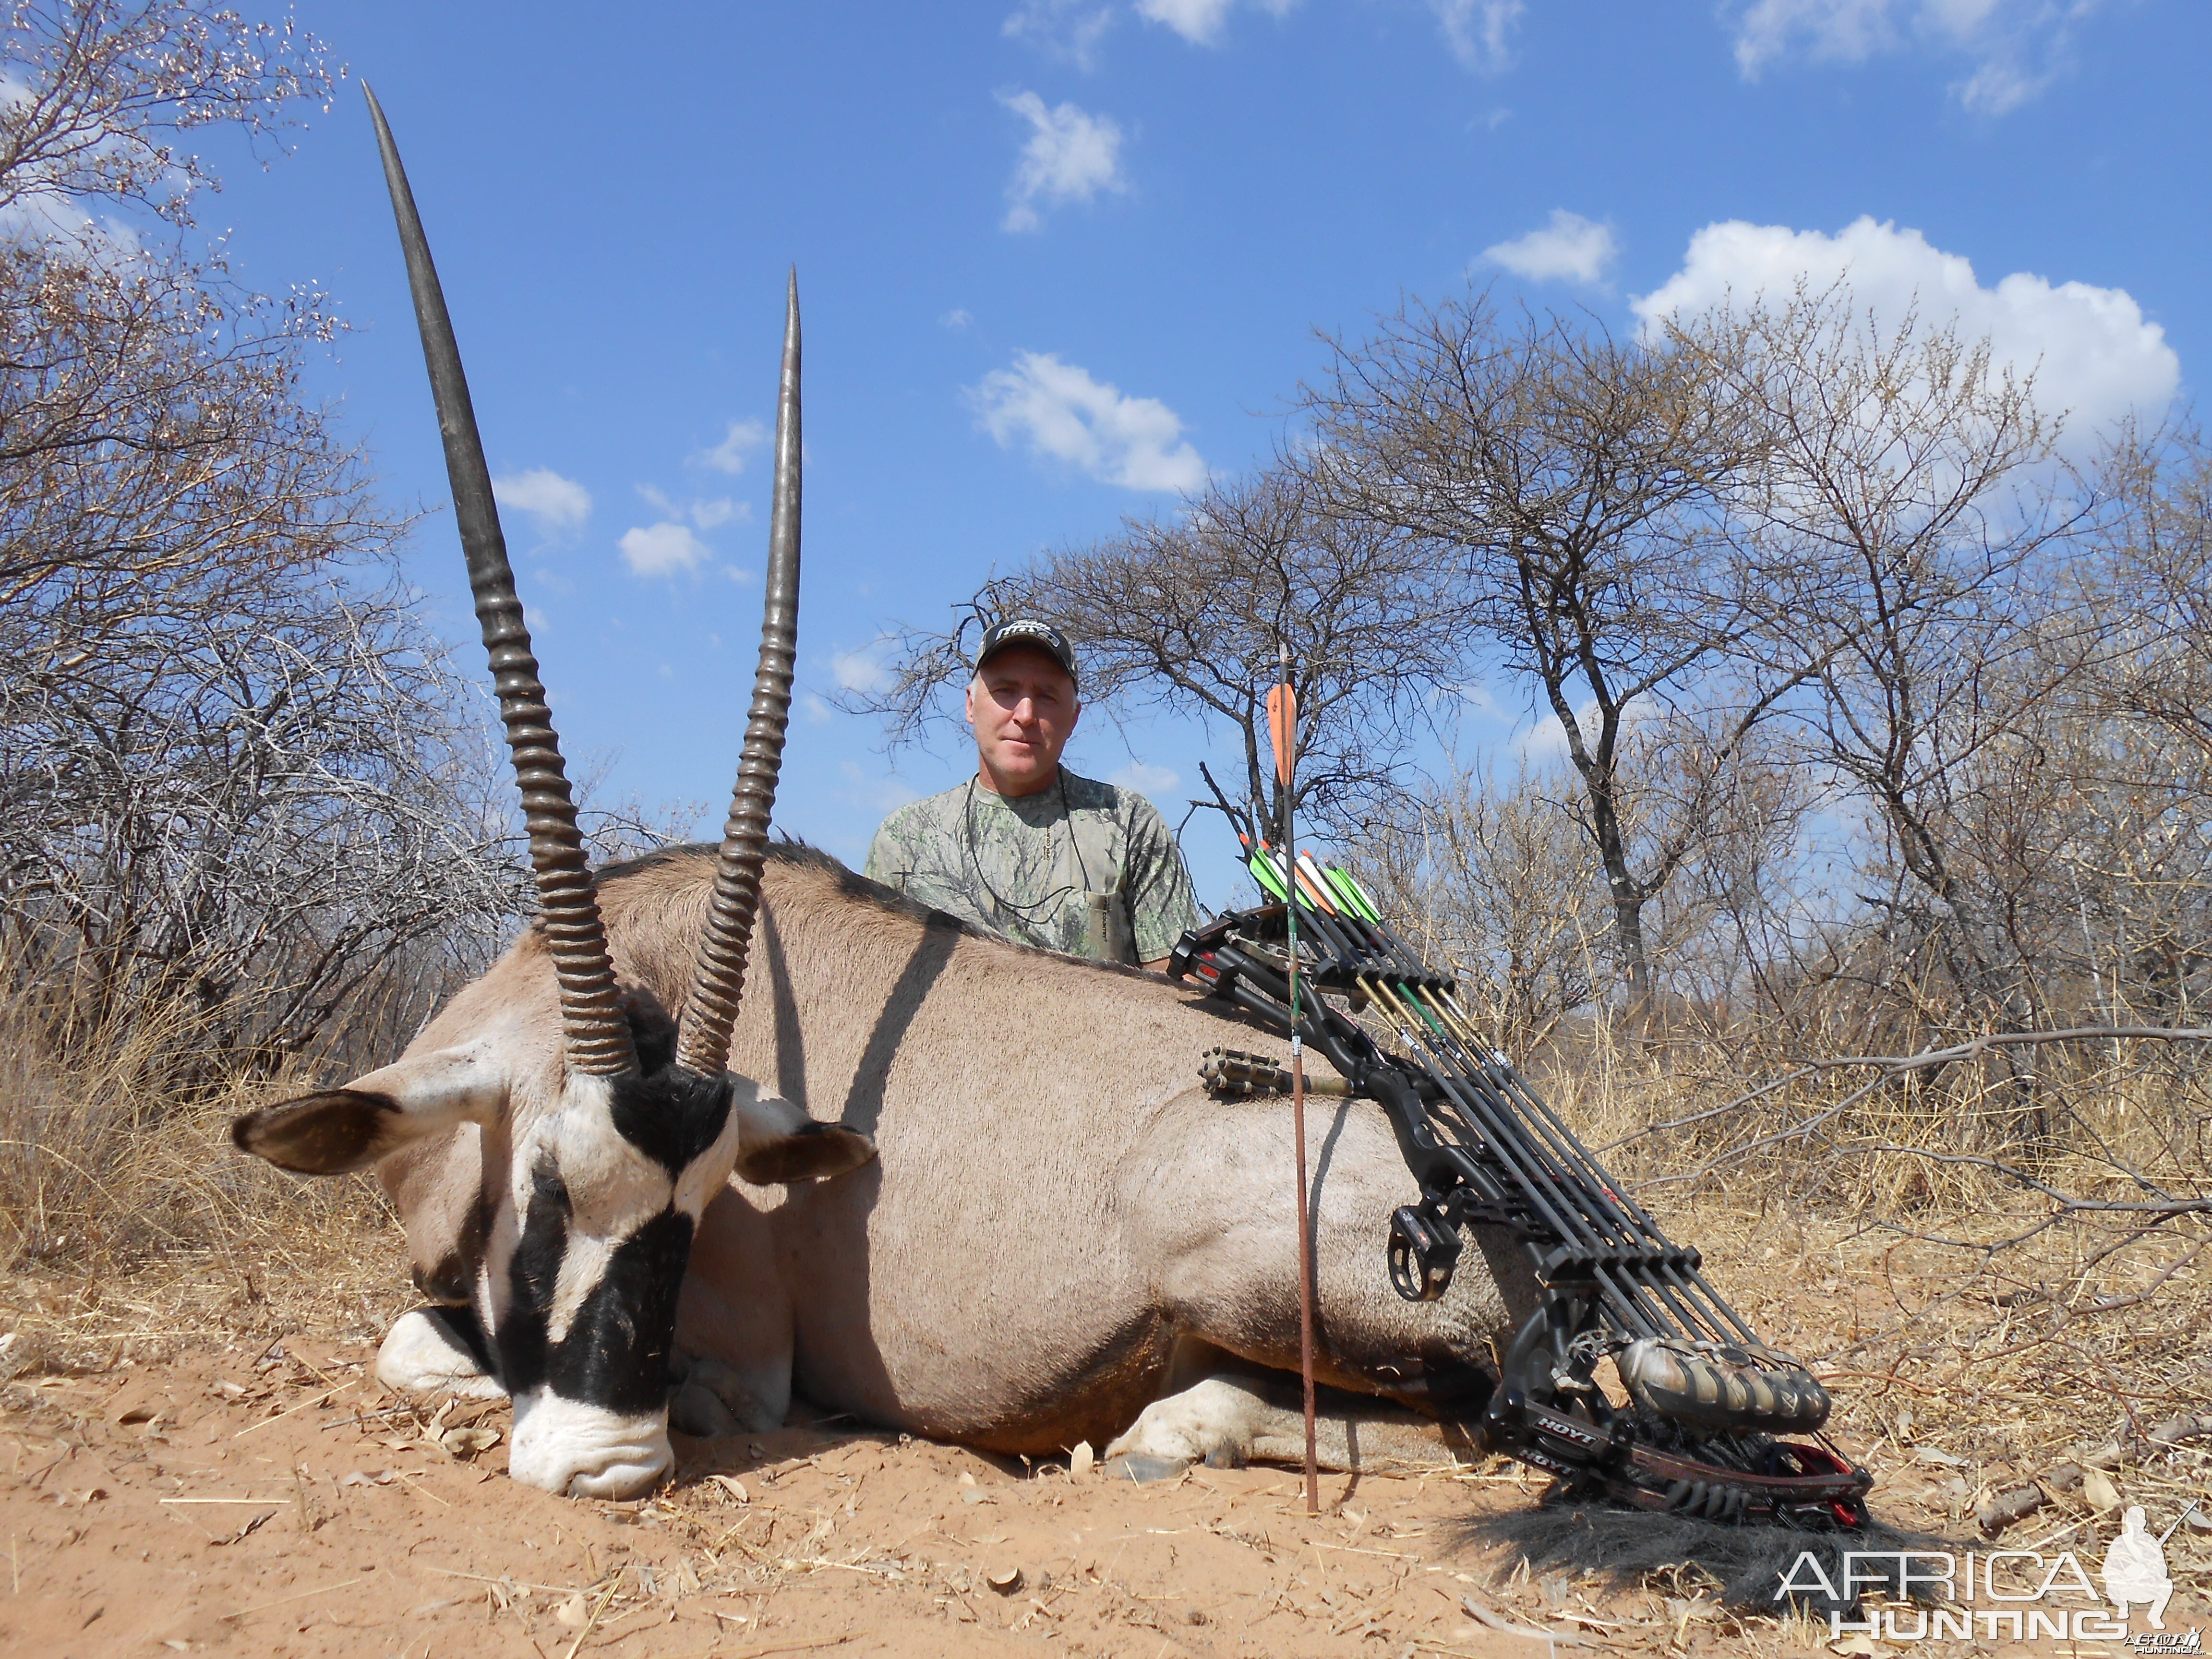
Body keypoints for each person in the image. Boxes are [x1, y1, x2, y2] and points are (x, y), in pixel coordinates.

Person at [864, 618, 1202, 970]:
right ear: (970, 704)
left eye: (1047, 696)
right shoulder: (903, 839)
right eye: (1006, 691)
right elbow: (870, 978)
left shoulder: (1129, 821)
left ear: (1073, 717)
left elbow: (1177, 984)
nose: (1025, 715)